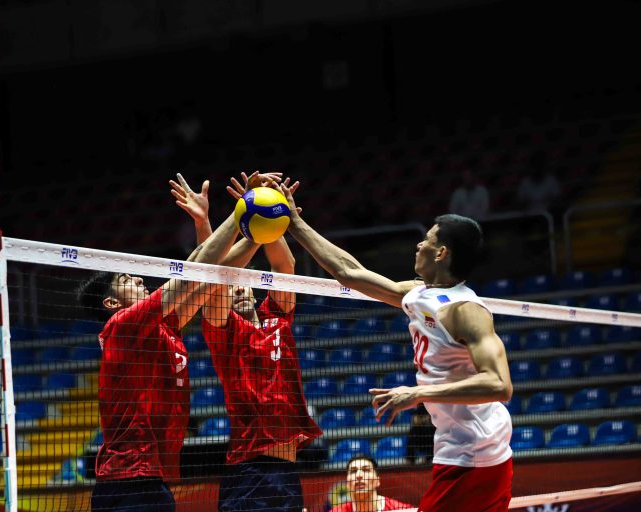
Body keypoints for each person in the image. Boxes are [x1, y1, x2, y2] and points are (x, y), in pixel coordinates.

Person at [279, 182, 514, 512]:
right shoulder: (419, 294)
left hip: (475, 452)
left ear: (441, 253)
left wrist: (417, 394)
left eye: (427, 239)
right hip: (463, 447)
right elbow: (349, 272)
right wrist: (293, 221)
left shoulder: (466, 311)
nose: (419, 244)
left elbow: (499, 385)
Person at [78, 172, 271, 512]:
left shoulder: (163, 327)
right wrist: (244, 211)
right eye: (126, 279)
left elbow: (210, 279)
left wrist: (255, 228)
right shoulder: (123, 325)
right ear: (111, 303)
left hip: (152, 479)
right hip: (128, 480)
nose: (138, 278)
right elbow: (193, 271)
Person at [173, 172, 322, 512]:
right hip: (249, 472)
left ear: (255, 288)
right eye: (234, 283)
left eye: (245, 282)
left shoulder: (278, 315)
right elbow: (213, 277)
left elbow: (285, 263)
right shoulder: (223, 330)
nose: (238, 286)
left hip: (288, 472)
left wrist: (268, 209)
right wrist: (230, 220)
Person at [329, 454, 412, 512]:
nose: (359, 475)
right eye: (353, 471)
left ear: (377, 481)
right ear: (347, 484)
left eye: (366, 470)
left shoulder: (401, 510)